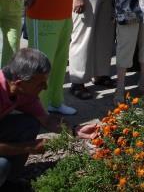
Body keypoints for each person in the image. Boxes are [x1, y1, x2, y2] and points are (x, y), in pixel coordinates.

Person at [0, 48, 97, 188]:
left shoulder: (22, 91)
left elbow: (46, 119)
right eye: (41, 83)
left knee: (29, 123)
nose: (45, 87)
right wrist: (29, 146)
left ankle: (10, 181)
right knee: (2, 166)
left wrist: (75, 130)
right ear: (20, 83)